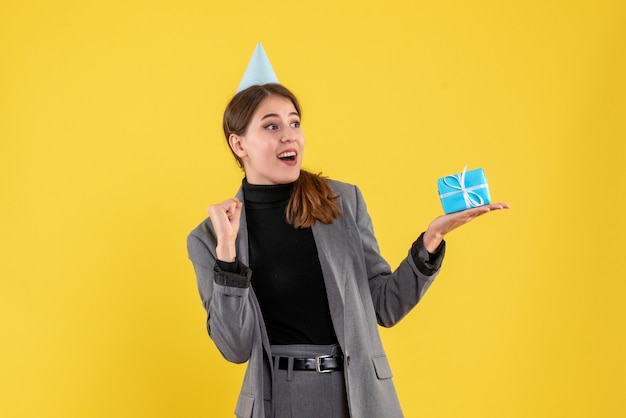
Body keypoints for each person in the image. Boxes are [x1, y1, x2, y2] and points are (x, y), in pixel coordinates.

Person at [187, 44, 509, 418]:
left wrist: (431, 240)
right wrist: (227, 254)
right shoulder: (210, 237)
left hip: (359, 397)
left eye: (294, 122)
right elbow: (235, 348)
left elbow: (384, 306)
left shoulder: (340, 202)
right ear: (238, 143)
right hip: (278, 399)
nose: (289, 135)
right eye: (271, 126)